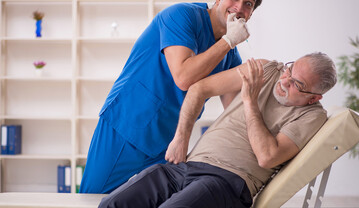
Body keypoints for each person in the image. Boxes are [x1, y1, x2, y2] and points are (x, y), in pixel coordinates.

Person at [80, 0, 263, 194]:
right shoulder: (181, 16)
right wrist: (228, 41)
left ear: (250, 14)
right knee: (93, 198)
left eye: (248, 4)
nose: (239, 7)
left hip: (168, 141)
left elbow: (235, 111)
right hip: (128, 125)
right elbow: (183, 77)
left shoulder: (230, 56)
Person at [98, 52, 337, 208]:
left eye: (297, 84)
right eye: (289, 70)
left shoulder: (312, 116)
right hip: (186, 167)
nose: (284, 81)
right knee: (113, 204)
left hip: (227, 182)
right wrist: (181, 137)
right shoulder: (266, 70)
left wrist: (249, 101)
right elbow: (199, 89)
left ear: (313, 97)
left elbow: (267, 156)